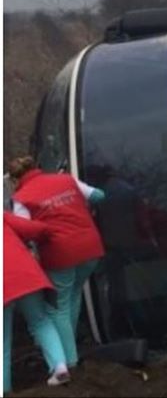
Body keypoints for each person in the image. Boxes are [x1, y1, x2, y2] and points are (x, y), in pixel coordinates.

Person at [8, 156, 106, 368]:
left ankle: (69, 361)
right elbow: (99, 195)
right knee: (73, 295)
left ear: (15, 180)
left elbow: (24, 231)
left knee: (56, 308)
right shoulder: (66, 180)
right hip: (91, 247)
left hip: (60, 253)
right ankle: (66, 349)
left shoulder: (21, 197)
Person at [4, 212, 71, 392]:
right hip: (26, 275)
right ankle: (60, 366)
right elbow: (34, 229)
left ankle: (4, 388)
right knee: (41, 322)